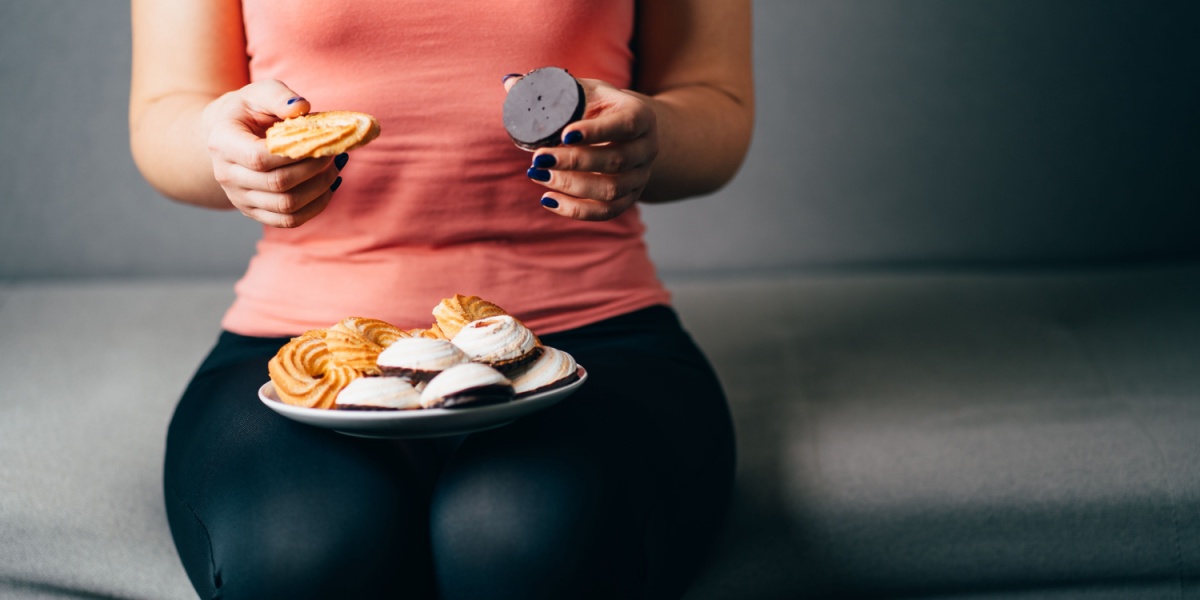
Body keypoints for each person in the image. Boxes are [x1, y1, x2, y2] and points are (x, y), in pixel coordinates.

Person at [129, 1, 753, 598]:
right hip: (303, 341)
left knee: (519, 538)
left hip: (591, 330)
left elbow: (716, 103)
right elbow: (165, 111)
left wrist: (650, 136)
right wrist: (224, 145)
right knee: (305, 553)